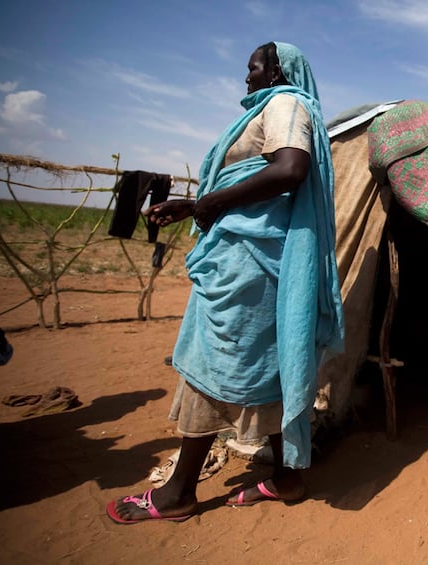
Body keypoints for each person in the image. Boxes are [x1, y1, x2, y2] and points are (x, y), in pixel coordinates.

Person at [107, 41, 343, 524]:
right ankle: (288, 477)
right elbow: (252, 181)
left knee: (213, 362)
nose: (247, 77)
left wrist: (211, 204)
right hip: (244, 257)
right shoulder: (274, 108)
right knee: (267, 366)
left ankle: (179, 493)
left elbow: (289, 168)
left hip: (250, 265)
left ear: (278, 72)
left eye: (254, 68)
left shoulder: (285, 104)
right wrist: (197, 205)